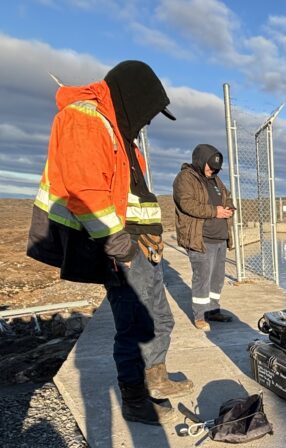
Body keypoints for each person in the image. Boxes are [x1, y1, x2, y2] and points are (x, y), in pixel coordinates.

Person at [26, 60, 192, 426]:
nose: (148, 121)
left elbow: (133, 196)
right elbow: (86, 191)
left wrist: (151, 237)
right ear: (134, 97)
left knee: (159, 318)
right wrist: (121, 248)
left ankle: (156, 378)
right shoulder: (85, 119)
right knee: (134, 324)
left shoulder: (119, 133)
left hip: (140, 246)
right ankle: (136, 401)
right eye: (149, 112)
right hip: (119, 248)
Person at [172, 144, 235, 330]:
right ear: (200, 160)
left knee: (217, 278)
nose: (212, 170)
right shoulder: (185, 178)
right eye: (210, 166)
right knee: (202, 278)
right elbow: (187, 204)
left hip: (220, 238)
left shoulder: (216, 180)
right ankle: (200, 315)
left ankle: (213, 310)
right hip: (201, 239)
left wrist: (229, 208)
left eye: (216, 168)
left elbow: (227, 197)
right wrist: (214, 211)